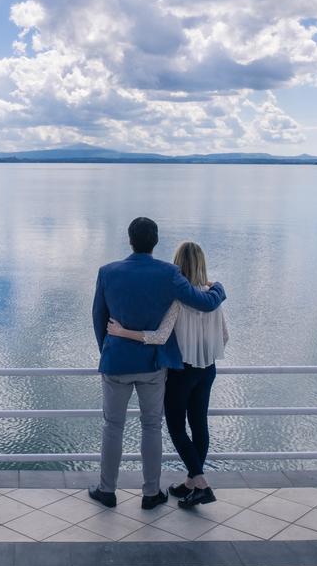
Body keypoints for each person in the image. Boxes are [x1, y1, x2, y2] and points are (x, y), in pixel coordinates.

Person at [90, 218, 226, 510]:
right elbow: (201, 301)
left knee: (113, 427)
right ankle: (151, 493)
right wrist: (220, 290)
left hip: (116, 363)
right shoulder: (169, 273)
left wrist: (110, 349)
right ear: (155, 241)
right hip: (153, 366)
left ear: (130, 240)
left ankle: (107, 490)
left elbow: (98, 318)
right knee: (152, 427)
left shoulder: (107, 272)